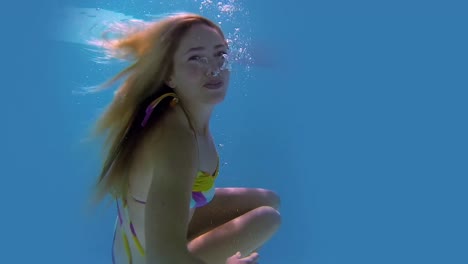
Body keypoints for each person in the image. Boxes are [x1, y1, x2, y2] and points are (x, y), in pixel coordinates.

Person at [89, 13, 281, 264]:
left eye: (220, 54)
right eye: (196, 58)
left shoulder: (185, 111)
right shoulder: (175, 139)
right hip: (145, 259)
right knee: (267, 219)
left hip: (146, 236)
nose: (214, 68)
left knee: (268, 201)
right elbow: (163, 257)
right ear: (169, 75)